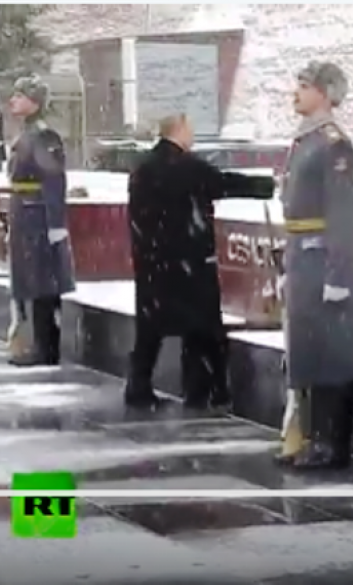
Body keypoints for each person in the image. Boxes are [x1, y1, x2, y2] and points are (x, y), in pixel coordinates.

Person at [125, 113, 275, 410]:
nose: (192, 135)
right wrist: (267, 185)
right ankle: (200, 391)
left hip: (152, 262)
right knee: (201, 329)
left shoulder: (142, 167)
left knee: (150, 330)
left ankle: (138, 387)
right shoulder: (187, 166)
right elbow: (222, 183)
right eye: (190, 129)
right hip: (190, 262)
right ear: (178, 129)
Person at [275, 61, 353, 470]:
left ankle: (333, 444)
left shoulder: (334, 144)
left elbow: (341, 213)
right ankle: (312, 438)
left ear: (324, 92)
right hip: (305, 258)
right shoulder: (306, 139)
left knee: (336, 354)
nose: (295, 93)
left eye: (304, 86)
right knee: (309, 352)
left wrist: (338, 273)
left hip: (324, 260)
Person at [5, 76, 76, 366]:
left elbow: (53, 180)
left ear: (34, 102)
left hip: (38, 216)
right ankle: (37, 344)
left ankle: (45, 347)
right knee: (29, 280)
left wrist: (56, 224)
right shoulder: (28, 132)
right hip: (26, 214)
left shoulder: (44, 136)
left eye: (19, 96)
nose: (13, 100)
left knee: (41, 281)